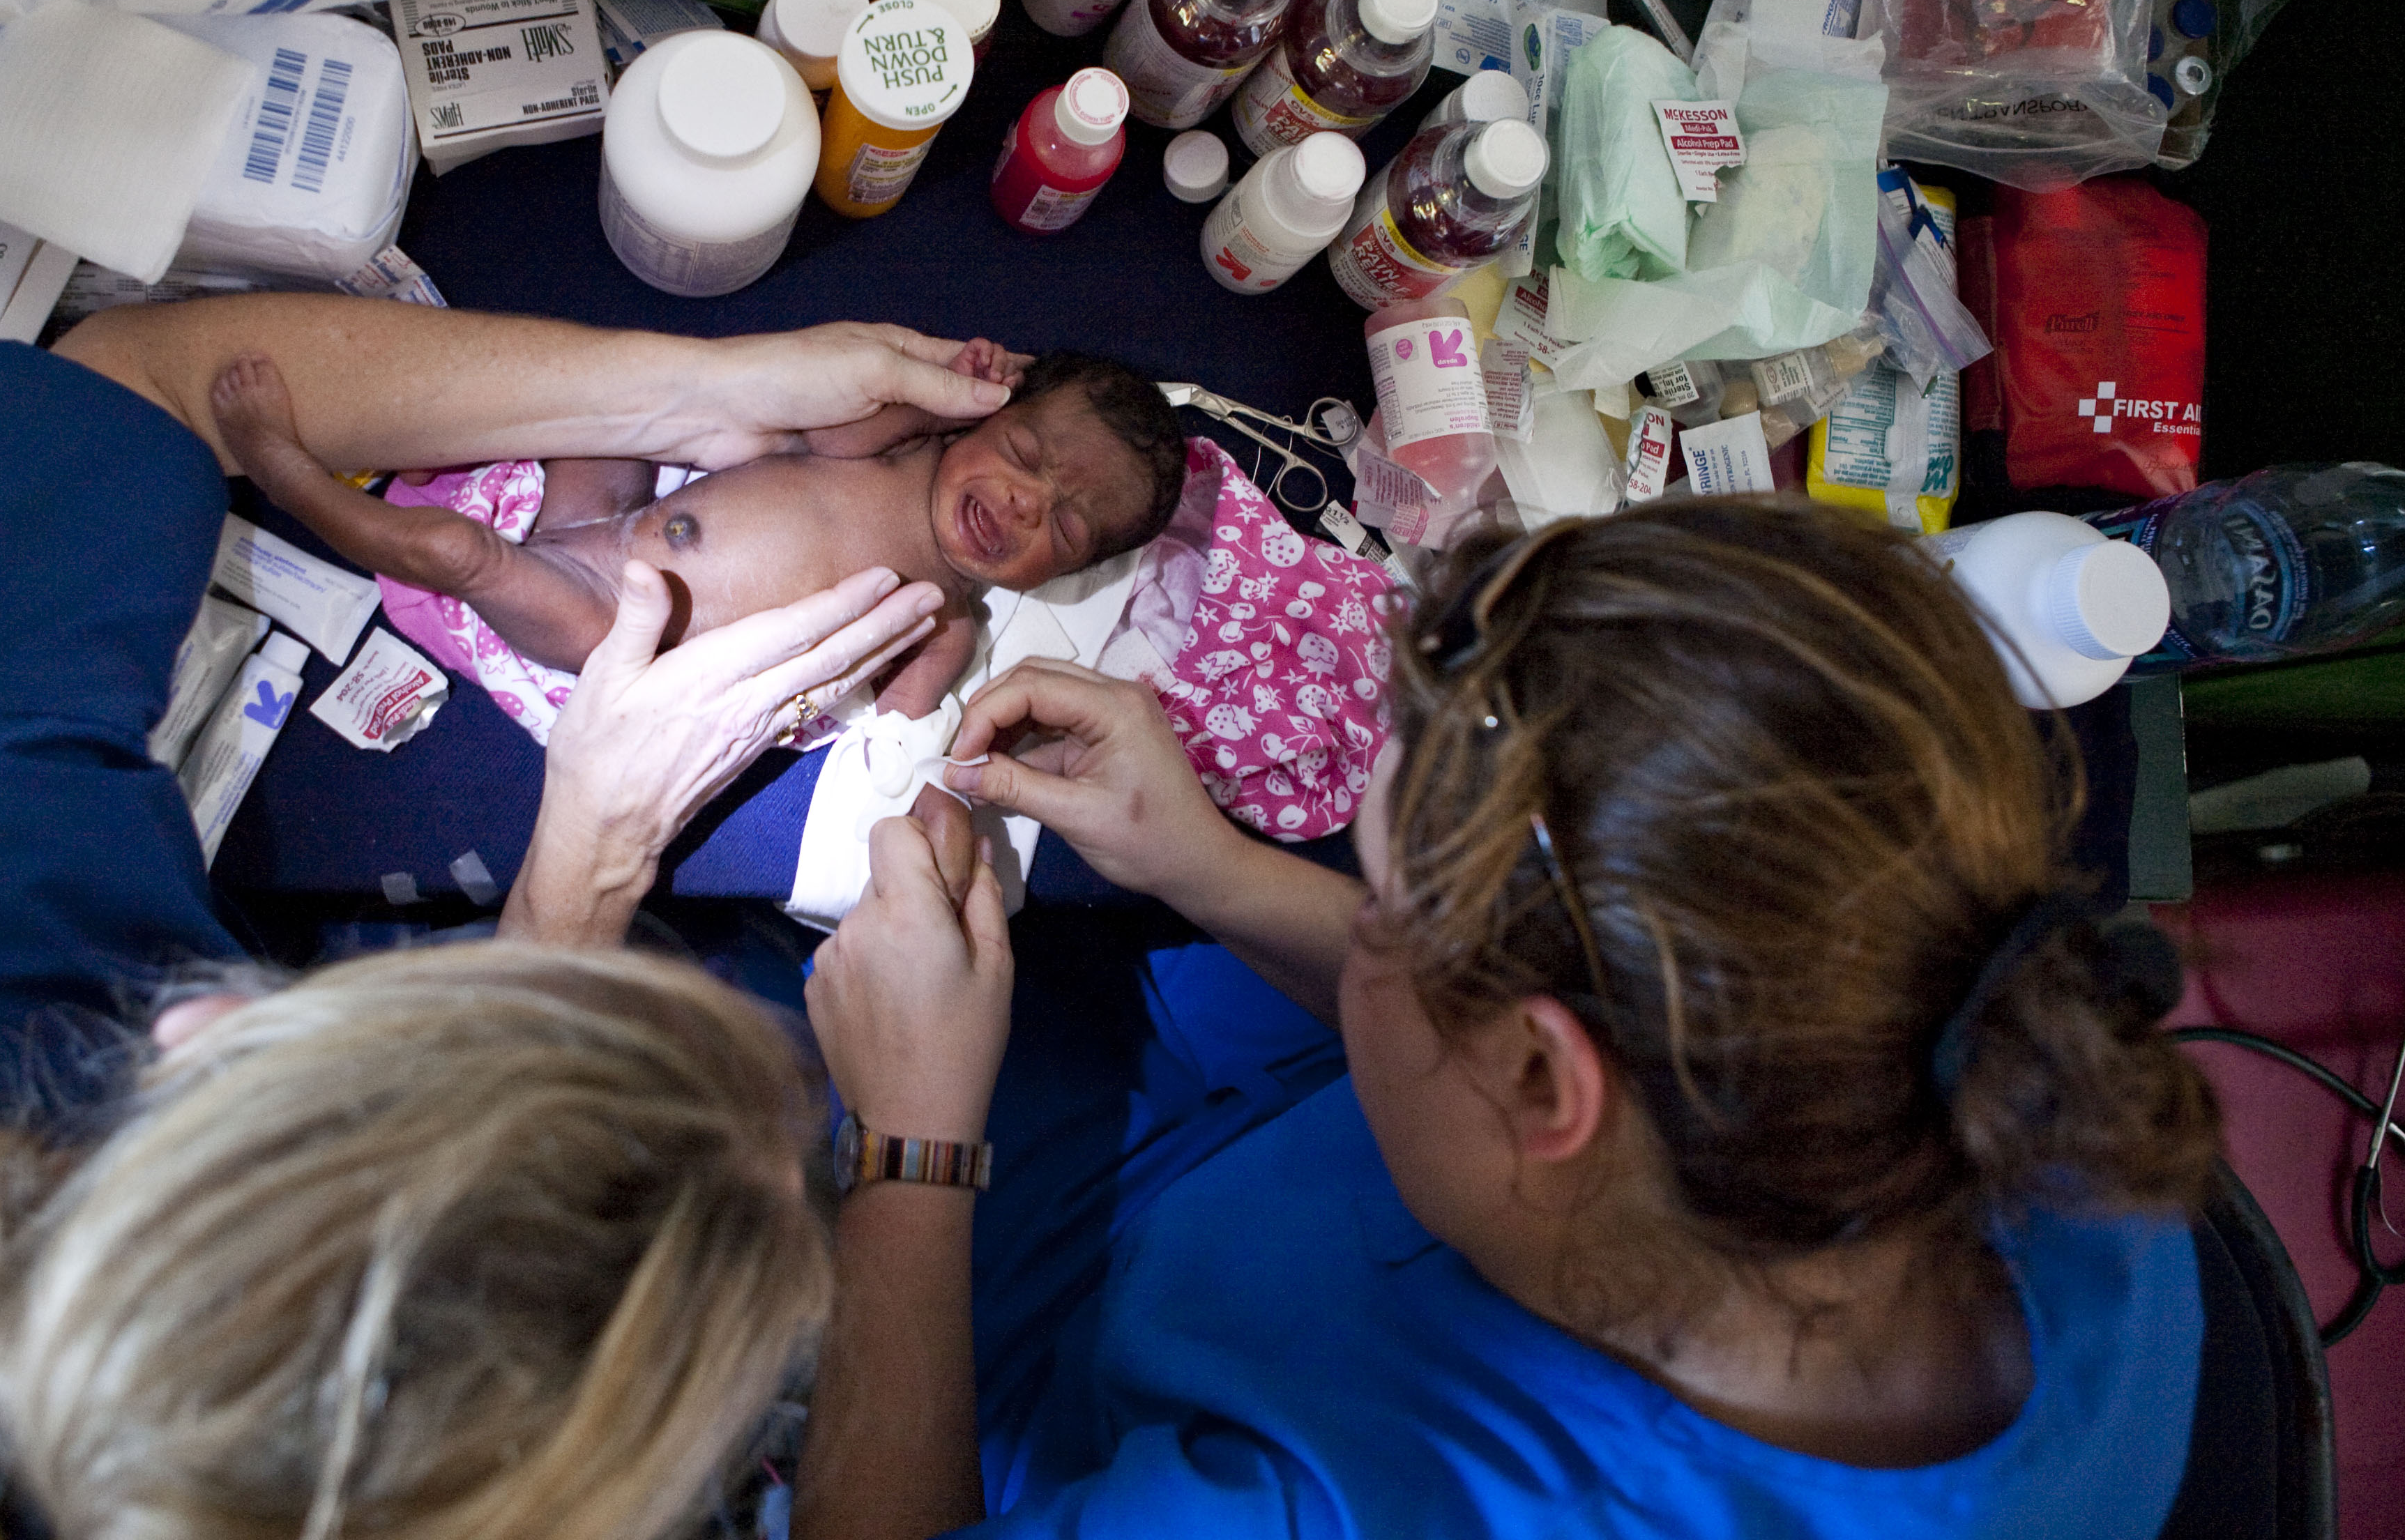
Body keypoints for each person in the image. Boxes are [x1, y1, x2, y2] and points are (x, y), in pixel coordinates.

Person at [0, 297, 1007, 1540]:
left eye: (267, 1102)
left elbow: (146, 383)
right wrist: (905, 1138)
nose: (212, 1003)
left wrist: (695, 397)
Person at [798, 498, 2219, 1539]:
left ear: (1547, 1076)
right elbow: (1469, 1008)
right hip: (1211, 1200)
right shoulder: (2045, 1109)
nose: (1354, 904)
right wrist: (1208, 864)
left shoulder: (1362, 1501)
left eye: (1387, 895)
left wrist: (910, 1146)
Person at [211, 344, 1190, 718]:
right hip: (616, 510)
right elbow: (824, 419)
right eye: (1023, 451)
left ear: (1060, 575)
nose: (1023, 502)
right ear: (983, 412)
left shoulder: (944, 621)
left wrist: (948, 758)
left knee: (460, 558)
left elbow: (901, 731)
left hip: (609, 628)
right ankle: (432, 448)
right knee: (585, 402)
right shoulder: (907, 450)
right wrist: (931, 386)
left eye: (1064, 522)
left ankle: (286, 474)